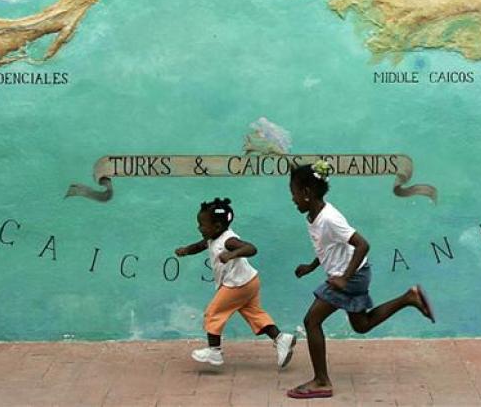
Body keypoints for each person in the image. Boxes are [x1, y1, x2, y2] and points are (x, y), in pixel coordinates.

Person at [286, 160, 435, 400]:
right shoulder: (314, 216)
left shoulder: (329, 218)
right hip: (351, 274)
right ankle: (409, 297)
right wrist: (311, 266)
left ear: (306, 193)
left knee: (311, 321)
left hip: (352, 276)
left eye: (293, 193)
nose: (292, 199)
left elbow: (362, 244)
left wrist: (344, 278)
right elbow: (327, 247)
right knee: (362, 325)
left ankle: (322, 381)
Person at [175, 197, 296, 368]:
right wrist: (186, 250)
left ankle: (214, 351)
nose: (199, 228)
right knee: (254, 313)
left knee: (213, 313)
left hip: (238, 285)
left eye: (202, 225)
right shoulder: (212, 238)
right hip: (249, 282)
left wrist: (231, 254)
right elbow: (200, 246)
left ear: (217, 226)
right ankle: (281, 339)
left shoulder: (228, 240)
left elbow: (251, 248)